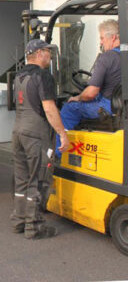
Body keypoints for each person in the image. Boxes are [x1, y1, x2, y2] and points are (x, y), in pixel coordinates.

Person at [11, 39, 69, 239]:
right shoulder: (43, 76)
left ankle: (19, 220)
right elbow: (49, 108)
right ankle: (34, 227)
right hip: (36, 134)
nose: (50, 55)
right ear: (38, 53)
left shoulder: (18, 76)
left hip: (18, 132)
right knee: (39, 179)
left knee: (22, 180)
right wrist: (62, 133)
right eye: (47, 51)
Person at [56, 19, 121, 151]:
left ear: (113, 37)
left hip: (108, 107)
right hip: (120, 105)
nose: (101, 42)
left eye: (102, 38)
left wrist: (78, 97)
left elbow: (91, 93)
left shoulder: (107, 57)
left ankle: (58, 153)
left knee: (69, 108)